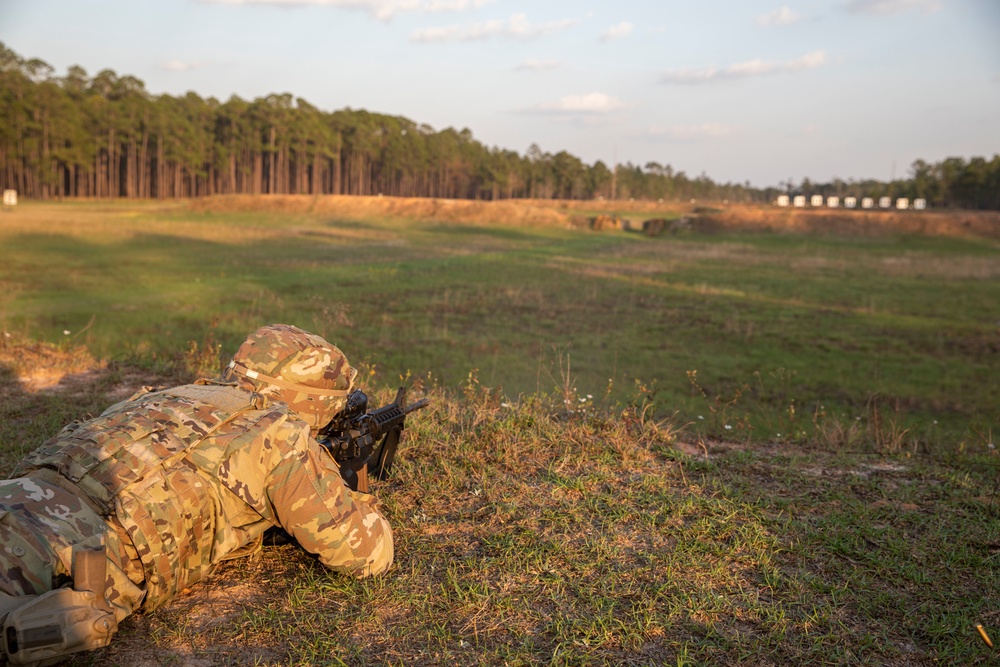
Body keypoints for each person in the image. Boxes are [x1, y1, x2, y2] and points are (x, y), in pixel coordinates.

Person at [0, 324, 393, 666]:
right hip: (57, 555)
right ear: (319, 402)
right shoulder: (279, 433)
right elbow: (366, 555)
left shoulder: (174, 393)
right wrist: (342, 477)